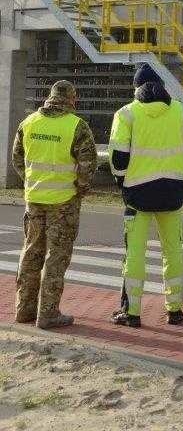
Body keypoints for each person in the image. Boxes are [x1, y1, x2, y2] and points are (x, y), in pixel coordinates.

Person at [109, 63, 183, 328]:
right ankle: (174, 310)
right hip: (172, 193)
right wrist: (181, 172)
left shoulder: (126, 114)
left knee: (135, 254)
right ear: (163, 85)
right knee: (173, 251)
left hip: (137, 195)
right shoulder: (182, 111)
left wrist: (122, 181)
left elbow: (118, 158)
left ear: (136, 86)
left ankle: (133, 313)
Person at [12, 80, 97, 329]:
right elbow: (87, 165)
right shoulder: (76, 125)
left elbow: (18, 159)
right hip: (63, 203)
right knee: (56, 258)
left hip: (34, 200)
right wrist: (80, 190)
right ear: (71, 99)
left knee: (31, 254)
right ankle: (47, 313)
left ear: (50, 97)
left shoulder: (28, 123)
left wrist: (32, 182)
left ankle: (24, 309)